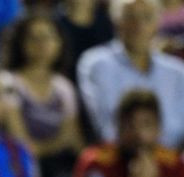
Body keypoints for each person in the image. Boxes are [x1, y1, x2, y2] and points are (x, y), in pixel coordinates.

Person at [1, 12, 84, 177]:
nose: (41, 44)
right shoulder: (10, 83)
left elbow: (74, 141)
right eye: (33, 38)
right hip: (21, 167)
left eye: (47, 37)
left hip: (59, 168)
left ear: (59, 44)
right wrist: (57, 144)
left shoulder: (63, 87)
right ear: (21, 43)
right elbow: (21, 144)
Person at [77, 0, 184, 148]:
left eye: (146, 17)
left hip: (170, 161)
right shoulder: (96, 63)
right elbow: (107, 126)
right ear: (115, 21)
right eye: (130, 17)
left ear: (157, 23)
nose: (138, 25)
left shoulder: (177, 71)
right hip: (118, 159)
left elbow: (178, 127)